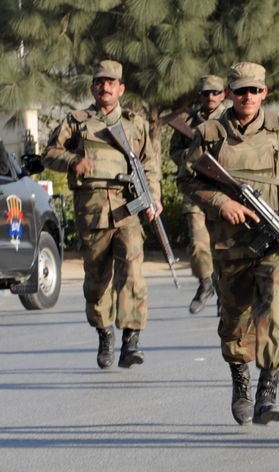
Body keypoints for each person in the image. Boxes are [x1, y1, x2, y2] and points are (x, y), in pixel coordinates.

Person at [177, 62, 279, 426]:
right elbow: (187, 181)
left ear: (264, 93)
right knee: (235, 320)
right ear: (230, 93)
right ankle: (241, 380)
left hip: (273, 240)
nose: (248, 97)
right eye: (240, 91)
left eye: (254, 90)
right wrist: (223, 203)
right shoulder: (209, 132)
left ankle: (268, 390)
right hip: (229, 243)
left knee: (276, 309)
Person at [43, 59, 161, 370]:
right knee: (97, 280)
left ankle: (131, 340)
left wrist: (155, 198)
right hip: (92, 211)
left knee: (133, 274)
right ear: (93, 87)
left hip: (127, 209)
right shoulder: (76, 121)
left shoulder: (135, 123)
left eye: (111, 82)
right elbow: (49, 153)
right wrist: (72, 161)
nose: (104, 86)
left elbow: (150, 165)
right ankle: (104, 333)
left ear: (121, 88)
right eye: (99, 82)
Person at [169, 74, 227, 314]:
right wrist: (193, 158)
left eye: (215, 93)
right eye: (206, 93)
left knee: (224, 245)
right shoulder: (187, 121)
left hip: (225, 190)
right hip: (195, 188)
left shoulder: (230, 119)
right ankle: (205, 283)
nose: (211, 97)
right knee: (198, 243)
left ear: (224, 94)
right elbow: (174, 150)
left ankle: (225, 292)